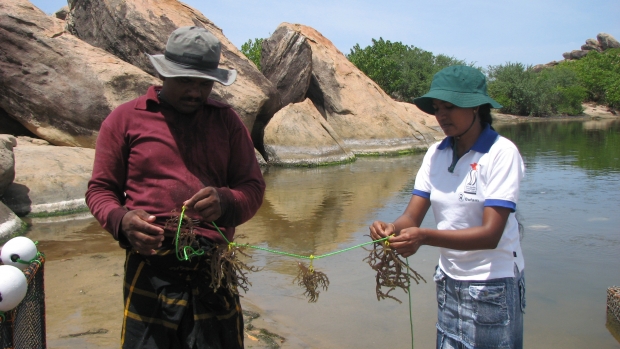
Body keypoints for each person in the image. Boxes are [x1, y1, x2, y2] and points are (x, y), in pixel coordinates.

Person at [85, 26, 265, 349]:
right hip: (150, 269)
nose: (195, 92)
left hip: (213, 271)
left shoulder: (227, 122)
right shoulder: (124, 120)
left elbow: (252, 188)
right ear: (164, 73)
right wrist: (122, 222)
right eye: (185, 81)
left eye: (204, 83)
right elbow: (100, 190)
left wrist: (226, 201)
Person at [370, 65, 526, 348]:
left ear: (476, 107)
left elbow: (491, 234)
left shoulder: (502, 154)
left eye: (450, 106)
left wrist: (426, 237)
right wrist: (391, 228)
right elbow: (411, 218)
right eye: (437, 107)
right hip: (448, 281)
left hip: (492, 287)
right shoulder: (436, 154)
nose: (441, 115)